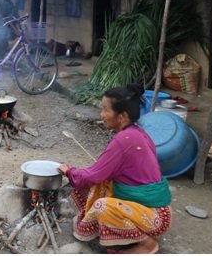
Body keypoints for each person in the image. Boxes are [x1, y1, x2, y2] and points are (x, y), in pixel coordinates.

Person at [58, 84, 172, 254]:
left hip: (154, 217)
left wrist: (69, 171)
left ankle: (146, 244)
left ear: (122, 116)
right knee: (101, 184)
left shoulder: (123, 140)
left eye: (105, 110)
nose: (101, 115)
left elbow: (91, 176)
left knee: (100, 204)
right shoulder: (137, 133)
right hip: (158, 210)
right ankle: (118, 233)